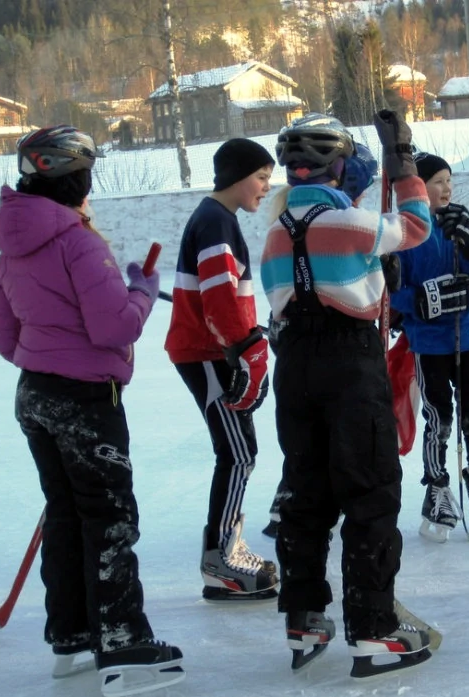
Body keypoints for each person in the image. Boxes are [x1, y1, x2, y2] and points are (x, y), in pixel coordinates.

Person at [0, 125, 184, 695]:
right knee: (108, 517)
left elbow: (7, 340)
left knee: (67, 515)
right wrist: (143, 288)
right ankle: (122, 642)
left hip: (36, 395)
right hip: (83, 399)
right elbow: (115, 326)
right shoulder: (78, 242)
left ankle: (71, 637)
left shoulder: (12, 246)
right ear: (80, 178)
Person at [260, 111, 436, 678]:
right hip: (350, 362)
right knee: (369, 490)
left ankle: (304, 614)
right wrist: (403, 160)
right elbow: (415, 226)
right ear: (339, 167)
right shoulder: (352, 221)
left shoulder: (272, 230)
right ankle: (374, 627)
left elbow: (279, 301)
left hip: (294, 366)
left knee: (305, 490)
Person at [164, 138, 278, 601]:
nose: (266, 188)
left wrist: (246, 340)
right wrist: (246, 349)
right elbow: (219, 298)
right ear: (236, 175)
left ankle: (225, 550)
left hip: (213, 350)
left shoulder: (219, 219)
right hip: (207, 354)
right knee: (237, 453)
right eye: (261, 178)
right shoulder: (215, 222)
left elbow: (218, 291)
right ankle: (220, 558)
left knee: (240, 450)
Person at [260, 141, 380, 541]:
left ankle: (302, 599)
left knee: (307, 470)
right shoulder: (346, 221)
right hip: (344, 356)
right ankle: (369, 602)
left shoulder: (284, 222)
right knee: (359, 475)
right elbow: (411, 230)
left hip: (297, 357)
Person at [388, 152, 469, 542]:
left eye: (449, 180)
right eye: (437, 182)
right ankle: (438, 487)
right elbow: (389, 291)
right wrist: (416, 301)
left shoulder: (458, 222)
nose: (446, 188)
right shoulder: (404, 232)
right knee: (439, 418)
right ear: (419, 188)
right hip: (429, 343)